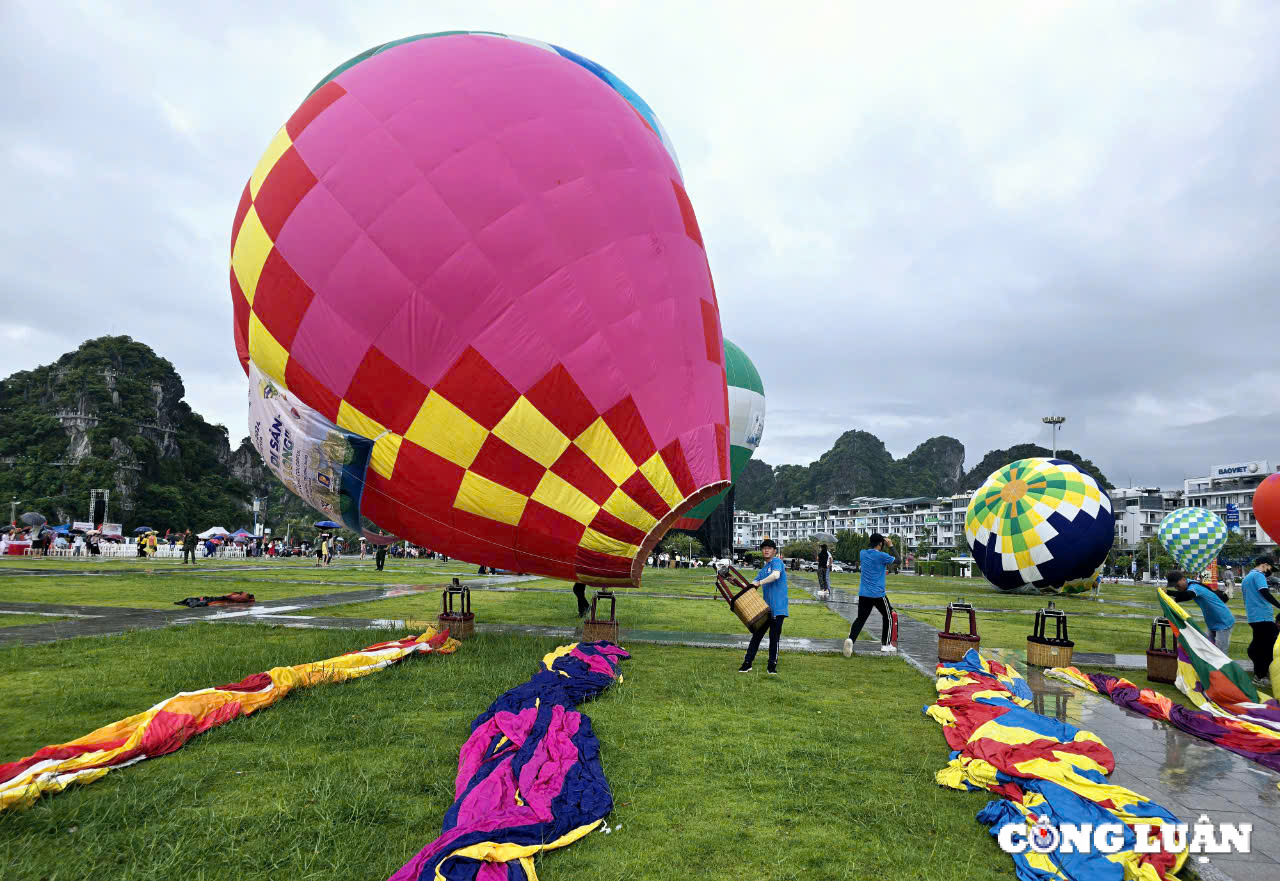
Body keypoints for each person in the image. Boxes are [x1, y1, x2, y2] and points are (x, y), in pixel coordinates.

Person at [738, 539, 788, 675]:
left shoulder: (777, 562)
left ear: (774, 551)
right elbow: (751, 586)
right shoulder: (763, 569)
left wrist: (760, 582)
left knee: (774, 637)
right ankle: (747, 663)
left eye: (769, 548)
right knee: (757, 635)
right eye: (764, 548)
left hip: (778, 608)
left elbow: (776, 576)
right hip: (765, 609)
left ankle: (771, 666)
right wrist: (734, 581)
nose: (766, 550)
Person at [844, 533, 898, 657]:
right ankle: (886, 644)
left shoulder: (863, 553)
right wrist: (891, 545)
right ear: (880, 544)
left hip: (864, 594)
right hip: (878, 594)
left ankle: (851, 640)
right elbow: (898, 561)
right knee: (888, 615)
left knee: (860, 619)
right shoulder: (882, 556)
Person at [1166, 571, 1234, 653]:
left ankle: (1224, 666)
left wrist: (1168, 592)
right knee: (1208, 649)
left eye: (1177, 585)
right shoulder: (1191, 585)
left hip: (1223, 621)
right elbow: (1183, 595)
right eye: (1175, 587)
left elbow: (1187, 595)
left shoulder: (1194, 587)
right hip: (1212, 622)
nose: (1177, 588)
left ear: (1183, 579)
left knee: (1220, 653)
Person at [1241, 555, 1280, 684]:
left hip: (1254, 617)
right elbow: (1265, 592)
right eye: (1270, 567)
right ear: (1264, 565)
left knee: (1258, 646)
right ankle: (1261, 676)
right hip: (1263, 617)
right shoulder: (1259, 575)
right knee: (1268, 648)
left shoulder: (1247, 578)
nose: (1270, 571)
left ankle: (1259, 673)